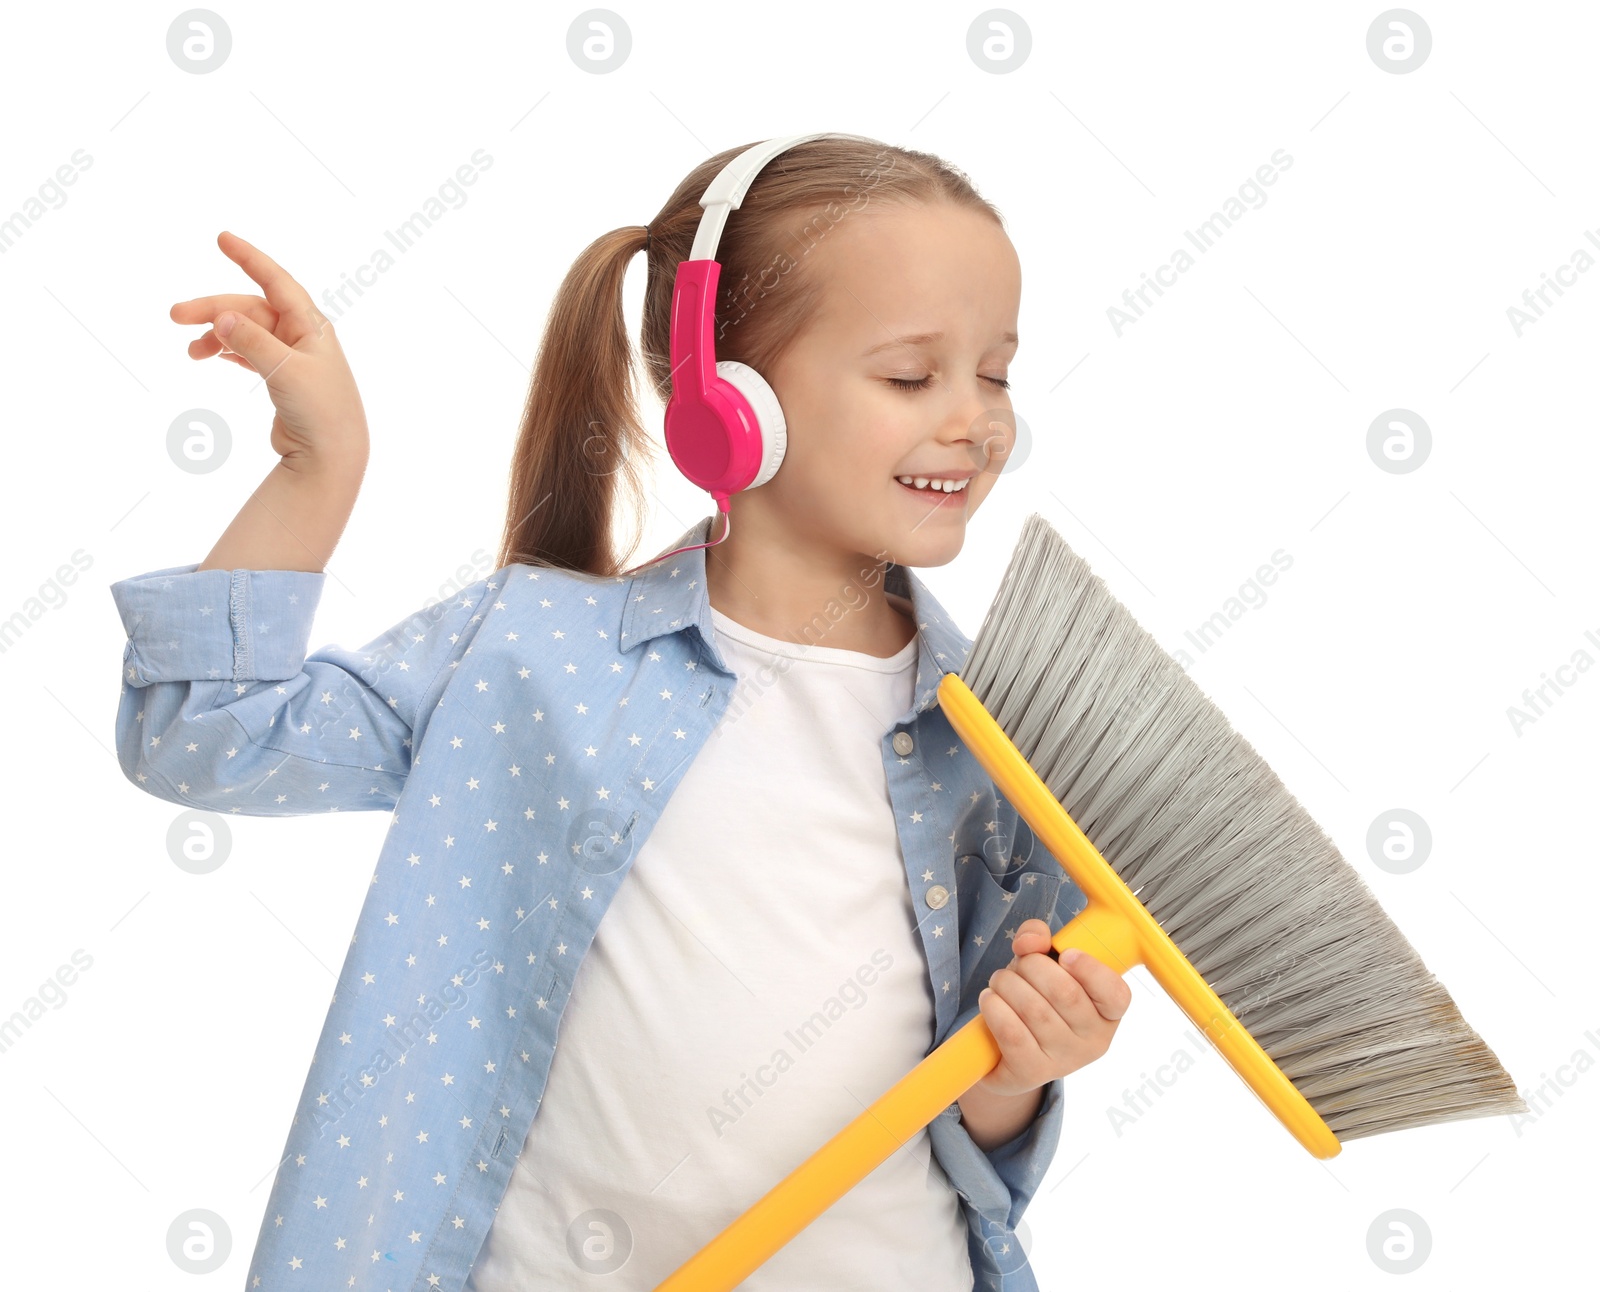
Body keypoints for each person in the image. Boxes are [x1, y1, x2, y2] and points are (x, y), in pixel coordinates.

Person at [110, 134, 1131, 1292]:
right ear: (724, 397)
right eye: (911, 375)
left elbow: (977, 1128)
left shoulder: (1009, 741)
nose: (976, 420)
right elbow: (203, 739)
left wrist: (1018, 1072)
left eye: (993, 373)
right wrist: (317, 467)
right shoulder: (531, 654)